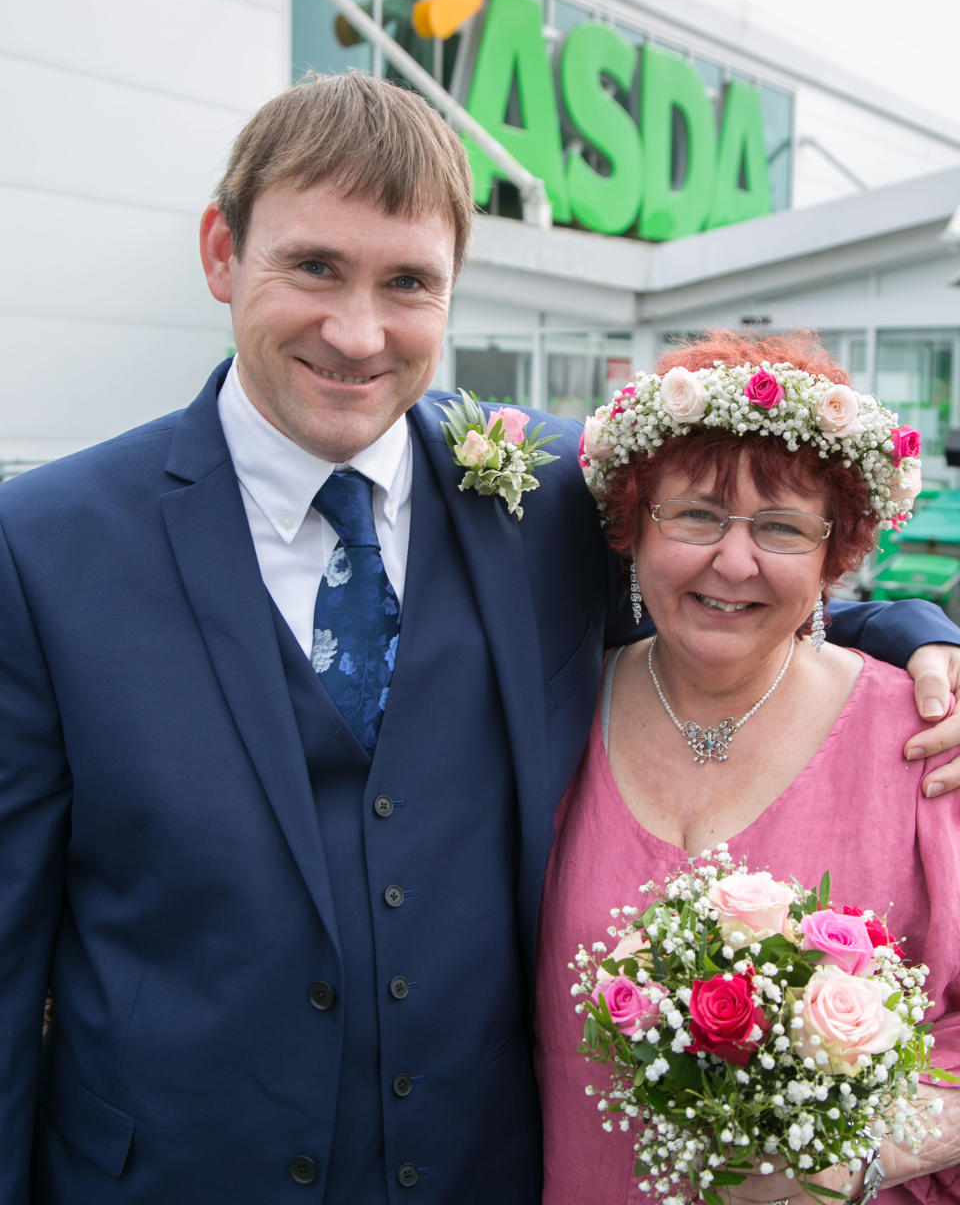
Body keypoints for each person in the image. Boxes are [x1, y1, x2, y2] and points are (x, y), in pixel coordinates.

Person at [0, 77, 958, 1205]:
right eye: (314, 266)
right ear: (223, 253)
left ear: (454, 289)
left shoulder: (545, 493)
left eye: (407, 282)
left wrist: (916, 636)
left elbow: (731, 593)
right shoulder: (43, 544)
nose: (358, 333)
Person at [535, 331, 960, 1205]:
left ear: (834, 549)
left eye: (780, 528)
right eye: (694, 514)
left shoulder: (926, 741)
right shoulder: (552, 714)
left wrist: (842, 1166)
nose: (734, 562)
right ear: (631, 524)